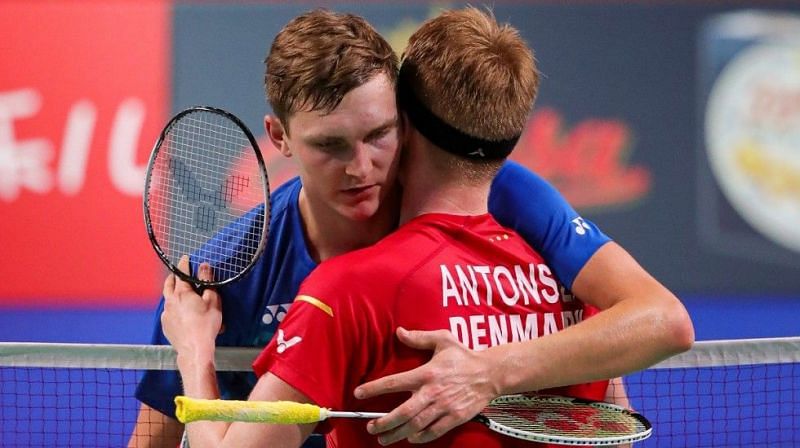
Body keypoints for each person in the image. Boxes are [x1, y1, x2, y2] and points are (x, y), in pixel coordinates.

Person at [160, 6, 694, 448]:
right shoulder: (221, 271)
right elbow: (612, 423)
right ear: (279, 136)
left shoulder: (347, 289)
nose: (360, 168)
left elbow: (663, 322)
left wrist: (193, 351)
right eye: (330, 144)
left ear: (406, 123)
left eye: (379, 135)